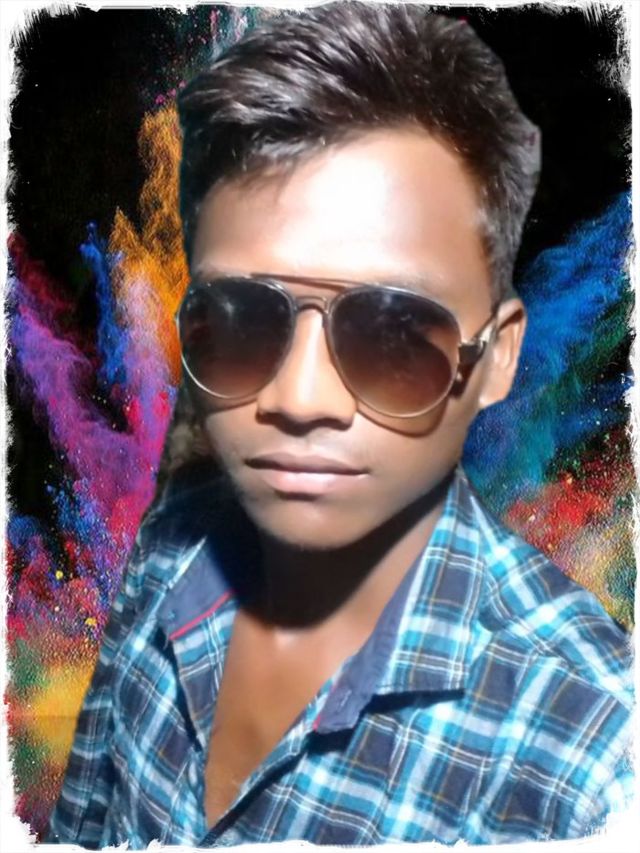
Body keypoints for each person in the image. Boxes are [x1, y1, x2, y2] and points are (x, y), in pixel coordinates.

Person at [47, 3, 633, 847]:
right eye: (240, 319)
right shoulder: (169, 550)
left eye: (394, 331)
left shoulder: (592, 758)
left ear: (497, 357)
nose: (299, 396)